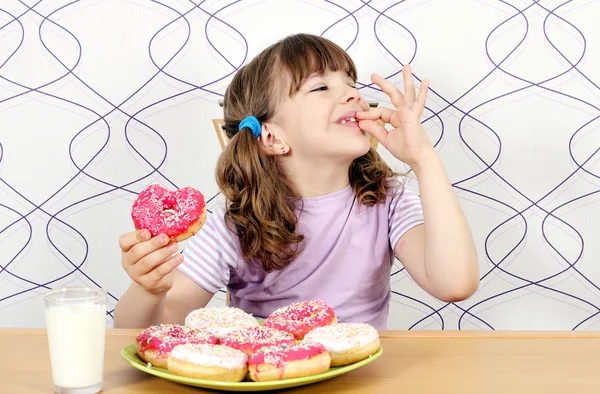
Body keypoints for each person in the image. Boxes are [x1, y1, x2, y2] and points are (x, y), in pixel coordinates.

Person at [114, 33, 479, 329]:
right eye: (321, 88)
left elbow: (454, 284)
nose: (353, 94)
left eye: (349, 82)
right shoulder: (236, 223)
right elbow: (148, 329)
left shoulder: (387, 200)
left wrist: (423, 159)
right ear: (272, 137)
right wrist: (148, 289)